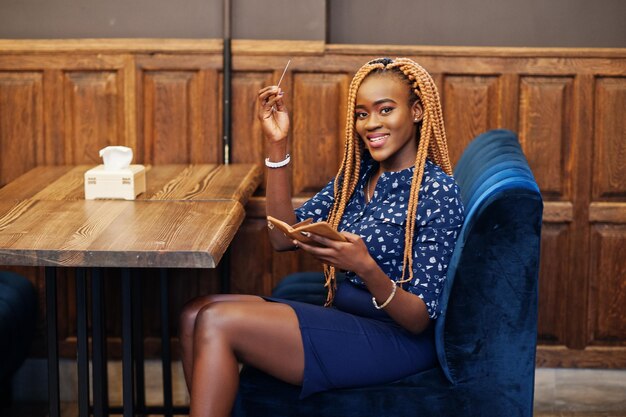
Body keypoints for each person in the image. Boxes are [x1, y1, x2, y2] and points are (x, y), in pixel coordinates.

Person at [179, 57, 465, 417]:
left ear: (418, 111)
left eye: (385, 110)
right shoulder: (358, 176)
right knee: (194, 313)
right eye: (361, 114)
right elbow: (282, 237)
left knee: (216, 320)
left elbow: (420, 318)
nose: (371, 123)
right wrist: (278, 144)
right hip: (347, 314)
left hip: (396, 338)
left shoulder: (437, 191)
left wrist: (363, 266)